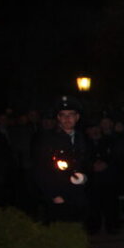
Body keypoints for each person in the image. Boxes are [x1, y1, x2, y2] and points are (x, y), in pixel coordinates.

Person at [32, 96, 91, 224]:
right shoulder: (47, 140)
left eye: (71, 115)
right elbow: (41, 170)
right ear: (58, 118)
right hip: (59, 193)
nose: (67, 119)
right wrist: (53, 194)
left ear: (77, 117)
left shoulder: (84, 138)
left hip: (80, 193)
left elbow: (88, 163)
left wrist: (86, 177)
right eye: (63, 115)